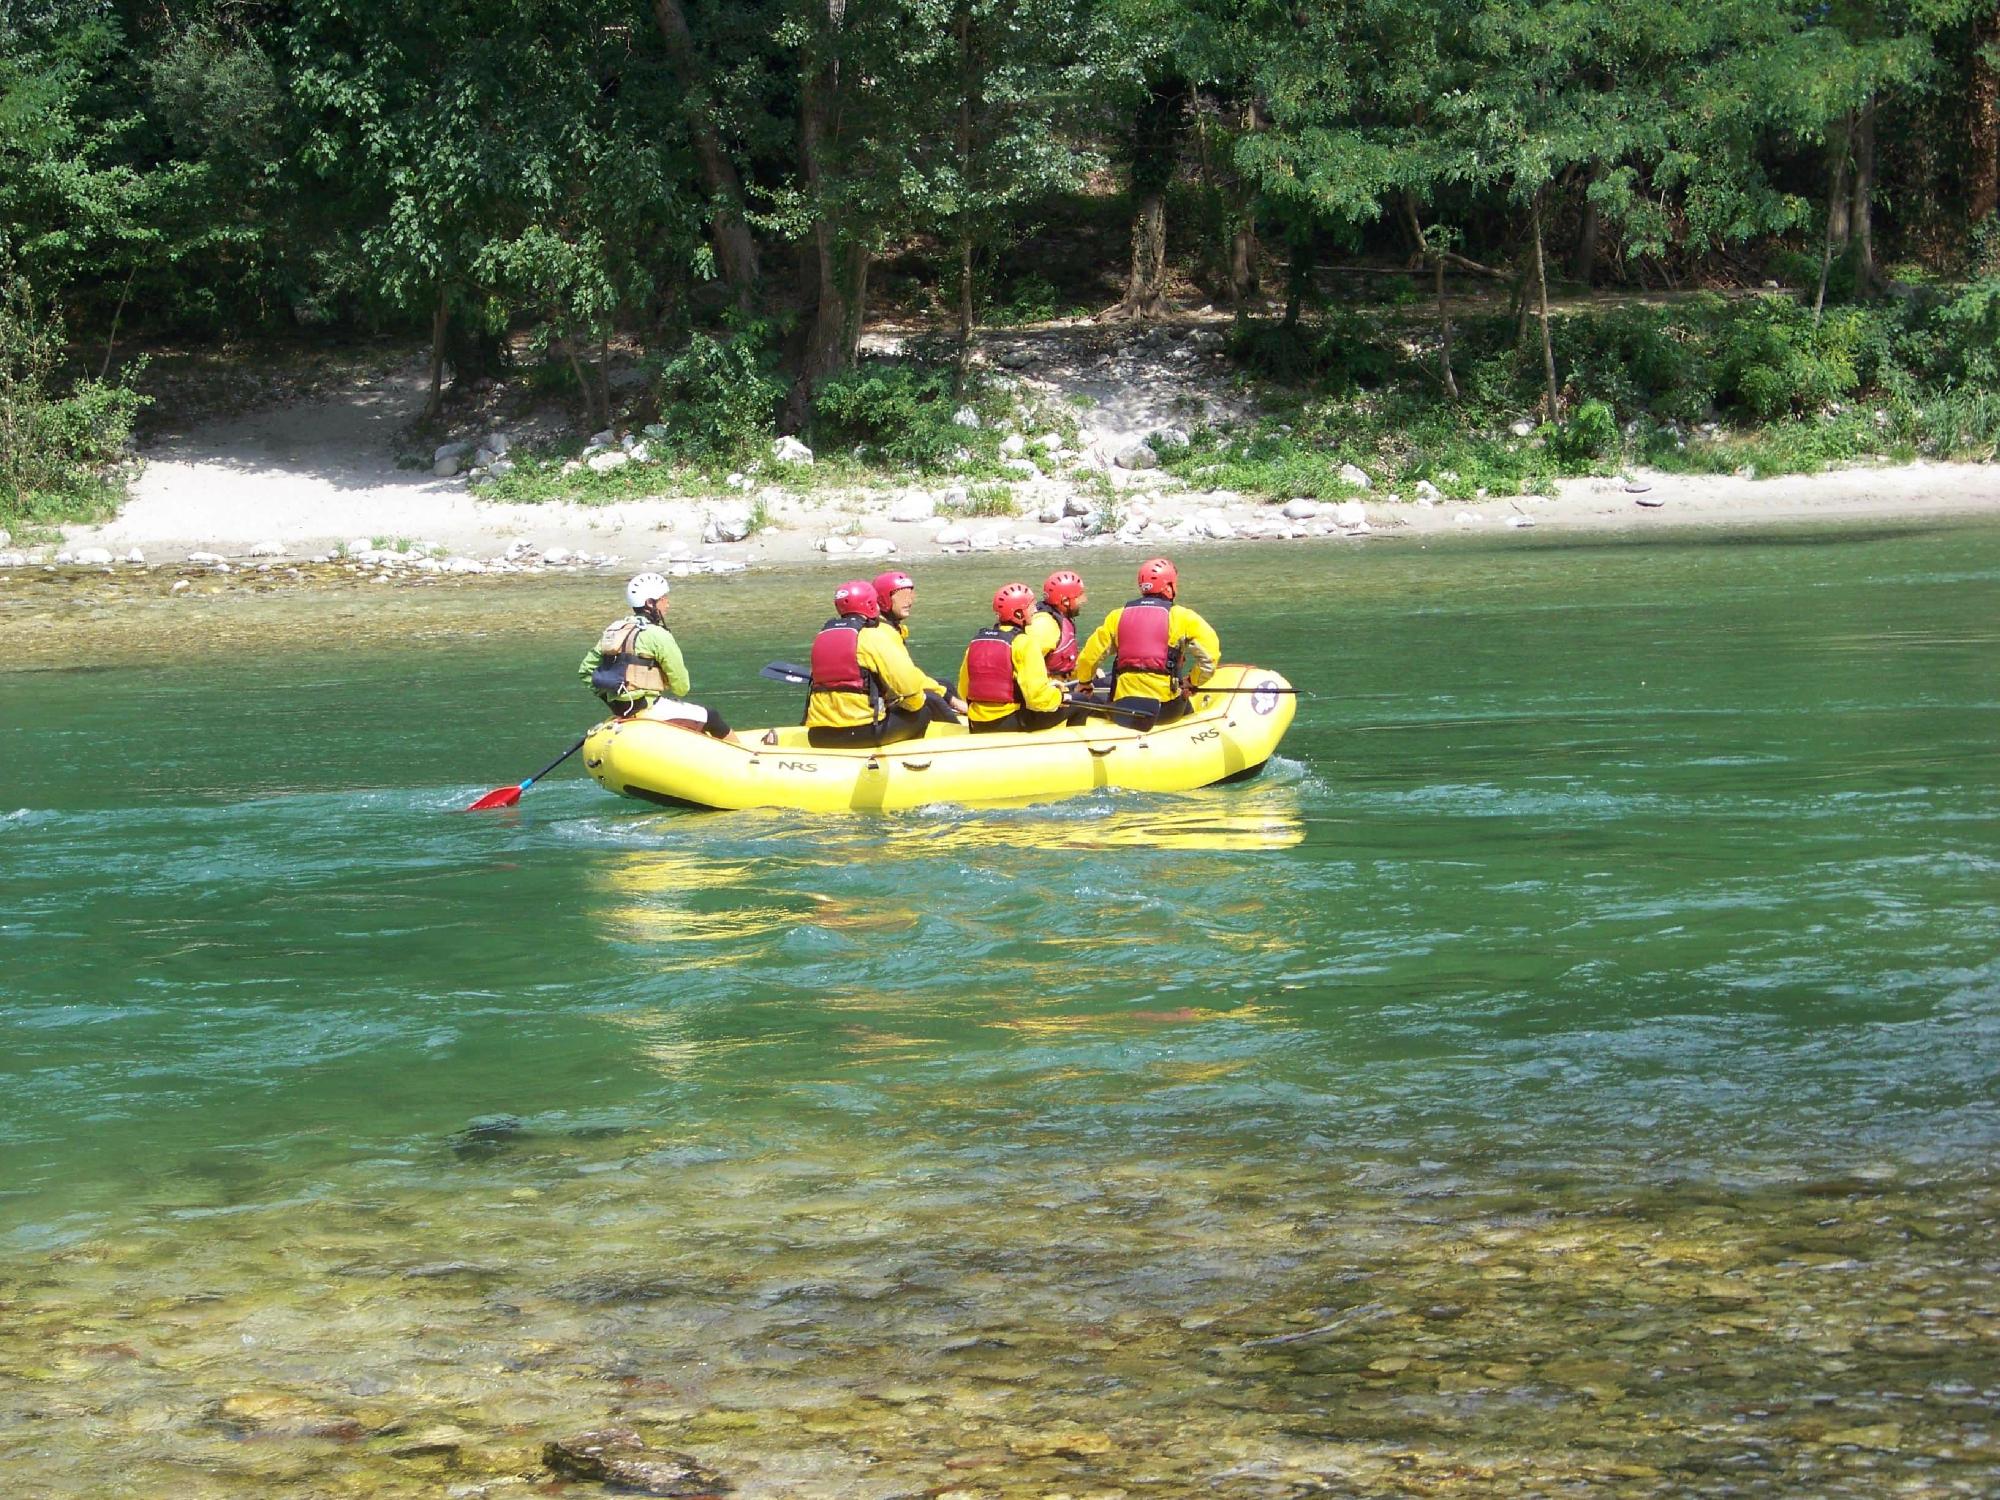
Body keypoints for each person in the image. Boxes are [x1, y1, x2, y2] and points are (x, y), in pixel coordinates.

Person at [806, 579, 967, 748]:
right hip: (860, 732)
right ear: (870, 604)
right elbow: (909, 688)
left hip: (818, 734)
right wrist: (914, 705)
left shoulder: (822, 637)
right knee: (924, 708)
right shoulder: (873, 636)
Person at [579, 573, 733, 739]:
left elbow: (585, 671)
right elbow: (682, 688)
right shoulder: (658, 635)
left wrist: (610, 698)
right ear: (650, 603)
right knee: (711, 716)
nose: (668, 603)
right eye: (663, 598)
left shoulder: (614, 630)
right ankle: (748, 758)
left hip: (620, 710)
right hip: (649, 709)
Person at [1073, 557, 1220, 726]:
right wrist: (1193, 682)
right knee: (1185, 704)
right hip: (1165, 709)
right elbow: (1210, 658)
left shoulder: (1117, 616)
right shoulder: (1183, 617)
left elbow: (1089, 657)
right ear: (1169, 586)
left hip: (1124, 707)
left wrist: (1084, 682)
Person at [957, 583, 1070, 734]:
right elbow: (1037, 699)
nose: (1035, 611)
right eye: (1031, 607)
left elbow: (963, 690)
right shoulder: (1024, 643)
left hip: (977, 723)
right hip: (1012, 721)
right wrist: (1060, 696)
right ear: (1018, 613)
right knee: (1078, 705)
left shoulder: (975, 643)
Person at [1026, 570, 1086, 683]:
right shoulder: (1044, 625)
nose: (1084, 600)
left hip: (1063, 683)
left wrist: (1086, 672)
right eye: (1079, 596)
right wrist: (1047, 685)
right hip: (1048, 692)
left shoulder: (1059, 618)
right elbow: (1025, 665)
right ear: (1065, 601)